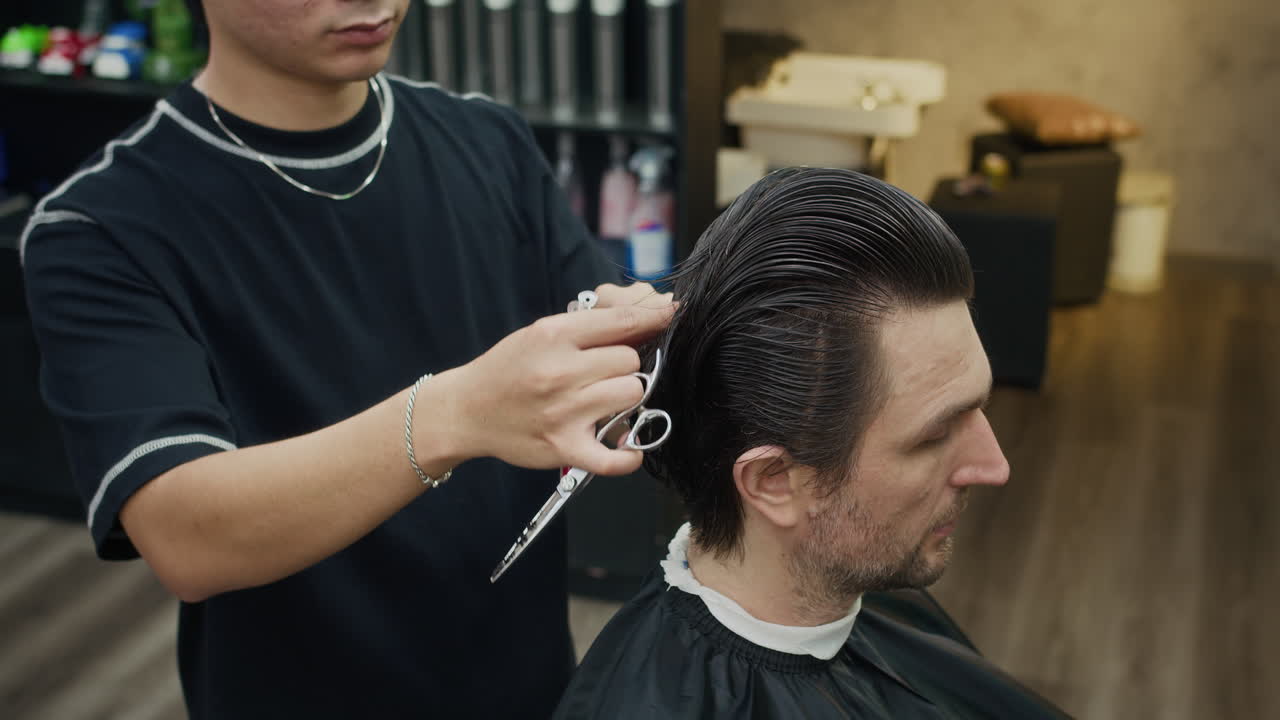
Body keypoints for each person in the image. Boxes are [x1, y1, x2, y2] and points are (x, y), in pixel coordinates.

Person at [20, 1, 673, 718]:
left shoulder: (488, 142)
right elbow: (184, 534)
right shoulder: (101, 227)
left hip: (529, 687)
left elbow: (618, 339)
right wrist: (456, 414)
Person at [552, 168, 1072, 719]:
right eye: (936, 434)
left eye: (980, 408)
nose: (995, 467)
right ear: (774, 481)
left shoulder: (874, 587)